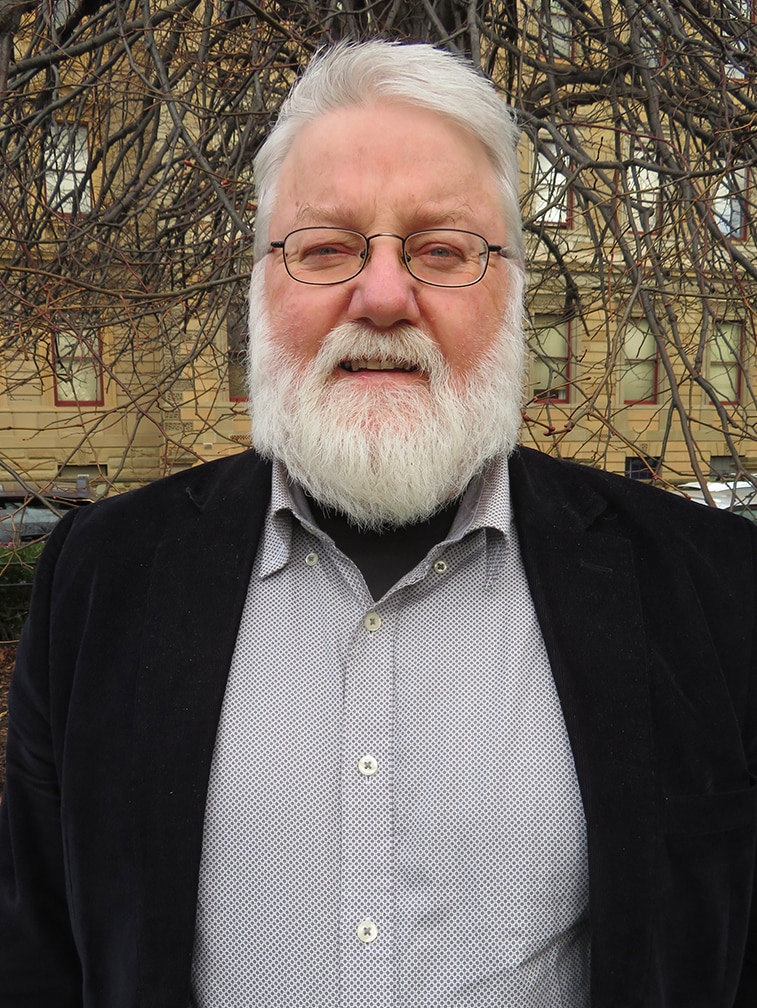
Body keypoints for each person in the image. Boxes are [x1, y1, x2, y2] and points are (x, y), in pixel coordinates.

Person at [0, 38, 756, 1008]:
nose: (386, 296)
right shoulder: (100, 581)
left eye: (442, 250)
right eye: (324, 249)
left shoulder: (715, 592)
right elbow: (38, 953)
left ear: (514, 292)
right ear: (260, 291)